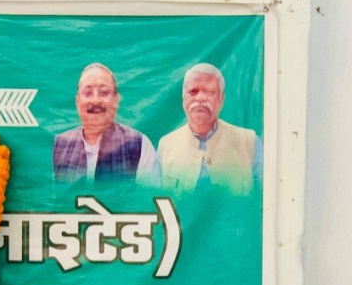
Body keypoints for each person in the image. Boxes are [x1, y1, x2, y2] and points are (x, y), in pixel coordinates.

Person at [154, 63, 262, 195]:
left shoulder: (250, 143)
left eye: (209, 92)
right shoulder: (166, 146)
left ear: (221, 99)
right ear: (183, 99)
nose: (200, 98)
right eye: (193, 91)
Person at [52, 62, 156, 184]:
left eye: (104, 92)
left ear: (116, 100)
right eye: (88, 93)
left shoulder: (139, 145)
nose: (96, 100)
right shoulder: (59, 145)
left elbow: (147, 194)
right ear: (77, 101)